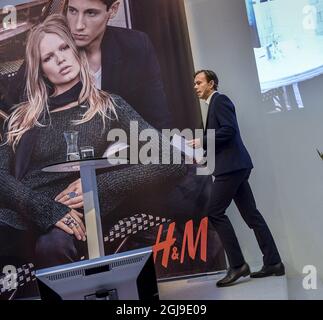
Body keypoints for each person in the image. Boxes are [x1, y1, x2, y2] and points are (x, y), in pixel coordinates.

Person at [0, 14, 186, 269]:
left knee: (53, 246)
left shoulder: (108, 106)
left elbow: (172, 160)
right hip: (23, 212)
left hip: (74, 217)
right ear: (41, 69)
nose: (60, 59)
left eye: (64, 48)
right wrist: (44, 208)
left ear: (77, 50)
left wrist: (97, 187)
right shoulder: (23, 117)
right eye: (48, 57)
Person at [3, 0, 172, 130]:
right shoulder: (50, 46)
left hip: (126, 157)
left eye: (91, 13)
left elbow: (158, 120)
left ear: (112, 10)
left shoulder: (136, 45)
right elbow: (11, 111)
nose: (78, 25)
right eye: (73, 11)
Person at [189, 70, 285, 287]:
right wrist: (204, 157)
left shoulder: (220, 100)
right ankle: (274, 263)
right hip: (234, 166)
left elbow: (229, 131)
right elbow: (224, 137)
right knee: (252, 215)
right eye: (194, 83)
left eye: (199, 82)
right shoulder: (213, 104)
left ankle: (238, 265)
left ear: (211, 84)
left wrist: (202, 141)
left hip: (231, 169)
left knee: (215, 213)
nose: (195, 87)